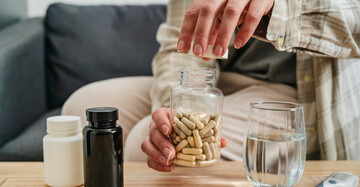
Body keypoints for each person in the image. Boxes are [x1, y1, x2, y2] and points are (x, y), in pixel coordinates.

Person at [63, 0, 360, 172]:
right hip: (219, 80)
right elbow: (179, 47)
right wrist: (173, 109)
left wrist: (279, 9)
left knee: (148, 143)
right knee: (82, 107)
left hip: (295, 92)